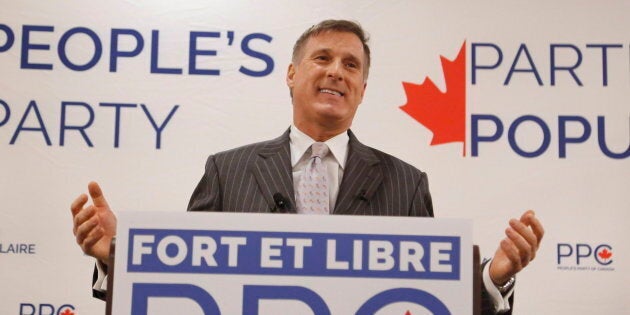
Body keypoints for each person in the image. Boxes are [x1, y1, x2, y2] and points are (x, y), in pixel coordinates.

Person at [71, 19, 544, 314]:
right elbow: (185, 283)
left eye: (352, 65)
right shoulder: (227, 170)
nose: (337, 71)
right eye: (323, 58)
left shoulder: (406, 182)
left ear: (362, 87)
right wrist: (121, 257)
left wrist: (491, 278)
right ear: (292, 74)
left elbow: (427, 297)